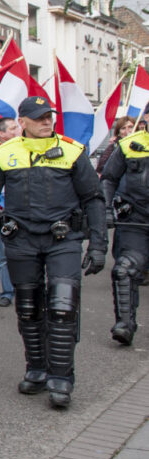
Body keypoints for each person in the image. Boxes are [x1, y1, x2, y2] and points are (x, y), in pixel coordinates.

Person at [0, 96, 105, 409]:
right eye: (39, 117)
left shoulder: (72, 151)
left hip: (63, 239)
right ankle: (37, 369)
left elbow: (93, 199)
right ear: (23, 122)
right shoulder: (4, 153)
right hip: (21, 240)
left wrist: (99, 244)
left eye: (49, 116)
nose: (47, 121)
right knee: (29, 307)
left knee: (62, 306)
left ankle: (61, 378)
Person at [98, 118, 149, 346]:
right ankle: (125, 325)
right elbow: (109, 179)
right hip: (135, 222)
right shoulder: (129, 144)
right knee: (124, 270)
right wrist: (106, 210)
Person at [0, 117, 23, 307]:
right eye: (12, 128)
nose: (17, 130)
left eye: (17, 126)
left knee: (26, 254)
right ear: (1, 134)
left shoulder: (27, 151)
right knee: (3, 255)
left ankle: (27, 289)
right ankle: (7, 292)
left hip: (24, 213)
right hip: (2, 213)